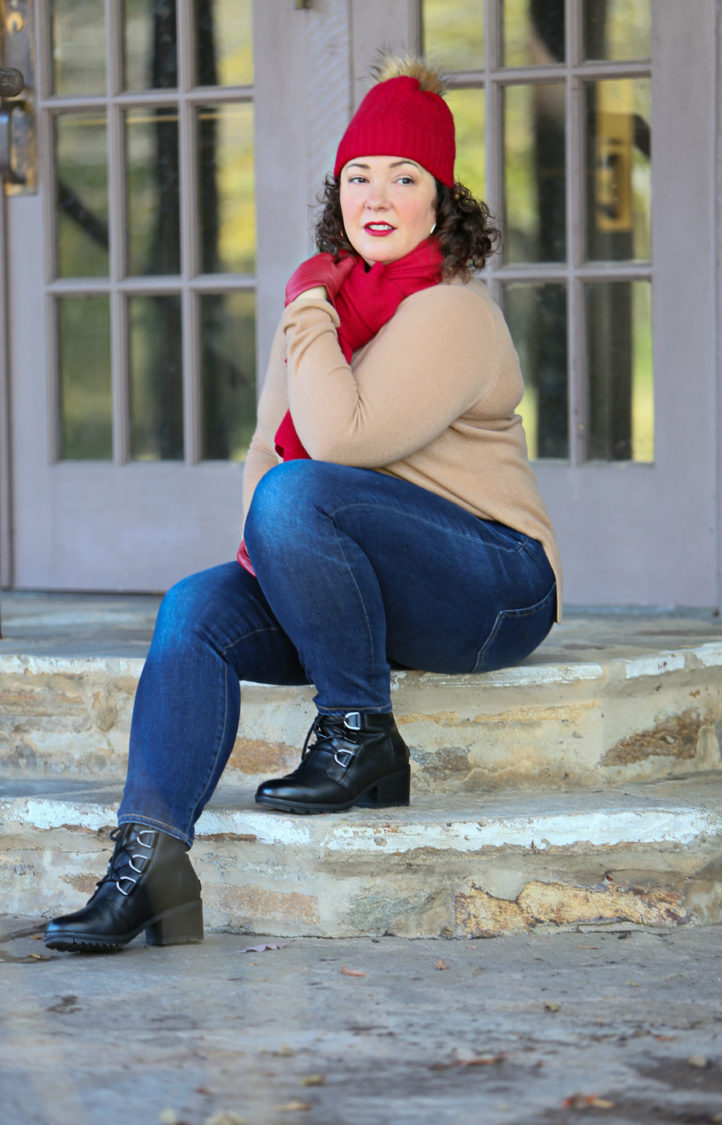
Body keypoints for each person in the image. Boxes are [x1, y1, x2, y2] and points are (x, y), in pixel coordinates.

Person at [44, 57, 562, 954]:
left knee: (297, 492)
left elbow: (336, 440)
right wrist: (273, 550)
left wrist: (308, 313)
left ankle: (358, 728)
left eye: (406, 177)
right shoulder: (323, 300)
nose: (379, 194)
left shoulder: (450, 311)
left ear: (442, 201)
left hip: (494, 583)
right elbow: (263, 445)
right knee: (195, 608)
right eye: (360, 174)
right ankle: (150, 863)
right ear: (340, 190)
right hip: (364, 579)